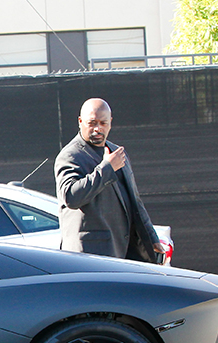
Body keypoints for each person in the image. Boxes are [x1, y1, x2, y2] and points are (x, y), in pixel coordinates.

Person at [54, 98, 165, 262]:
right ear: (80, 122)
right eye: (92, 123)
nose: (97, 128)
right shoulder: (70, 155)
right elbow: (71, 197)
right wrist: (107, 168)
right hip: (89, 255)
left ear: (110, 123)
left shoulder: (117, 152)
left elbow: (135, 201)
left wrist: (151, 236)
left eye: (103, 123)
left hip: (124, 251)